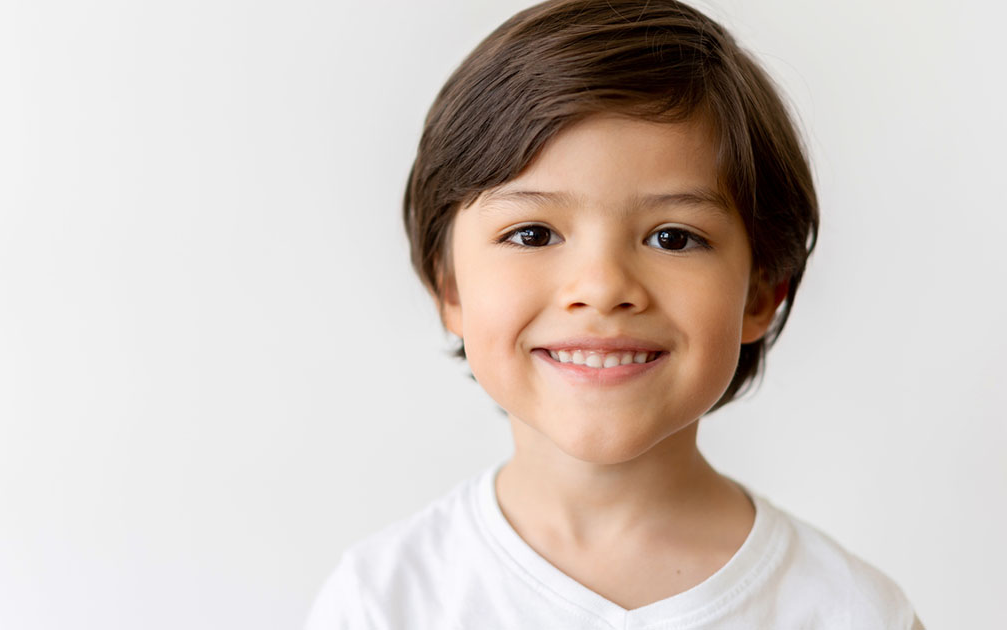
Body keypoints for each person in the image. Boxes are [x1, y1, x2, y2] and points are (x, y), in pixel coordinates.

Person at [305, 0, 922, 627]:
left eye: (673, 238)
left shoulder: (852, 614)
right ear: (451, 288)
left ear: (761, 294)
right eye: (533, 234)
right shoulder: (381, 603)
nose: (602, 289)